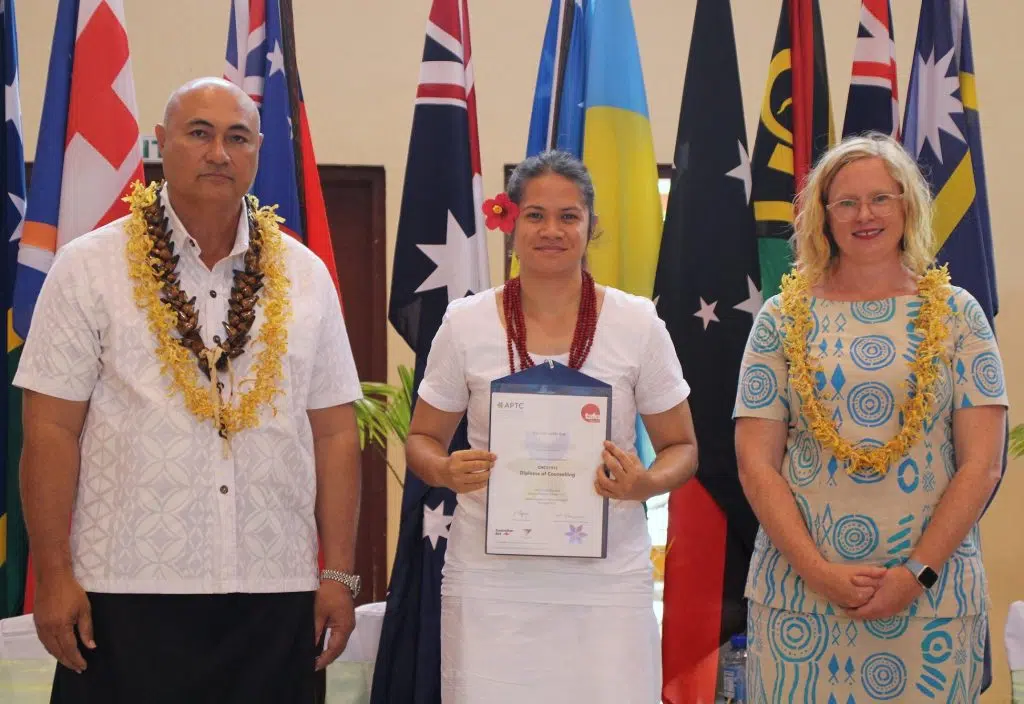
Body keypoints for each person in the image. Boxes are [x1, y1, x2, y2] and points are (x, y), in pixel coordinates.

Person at [15, 77, 364, 703]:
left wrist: (337, 571)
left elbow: (335, 432)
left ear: (258, 151)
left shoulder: (306, 274)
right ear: (161, 143)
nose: (218, 153)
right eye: (199, 133)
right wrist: (55, 574)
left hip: (275, 592)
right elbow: (50, 429)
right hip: (122, 595)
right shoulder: (88, 266)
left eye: (237, 138)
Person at [405, 150, 699, 703]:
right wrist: (444, 469)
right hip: (492, 583)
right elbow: (420, 441)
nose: (552, 230)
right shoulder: (465, 324)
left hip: (606, 582)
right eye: (536, 214)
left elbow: (682, 447)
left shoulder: (636, 323)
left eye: (570, 216)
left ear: (591, 226)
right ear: (510, 222)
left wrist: (645, 484)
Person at [735, 133, 1007, 702]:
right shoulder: (781, 318)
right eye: (846, 202)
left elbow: (981, 465)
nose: (865, 215)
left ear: (907, 204)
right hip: (799, 600)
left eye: (881, 198)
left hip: (932, 602)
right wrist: (815, 571)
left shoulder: (959, 314)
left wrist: (917, 576)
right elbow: (755, 465)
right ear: (823, 217)